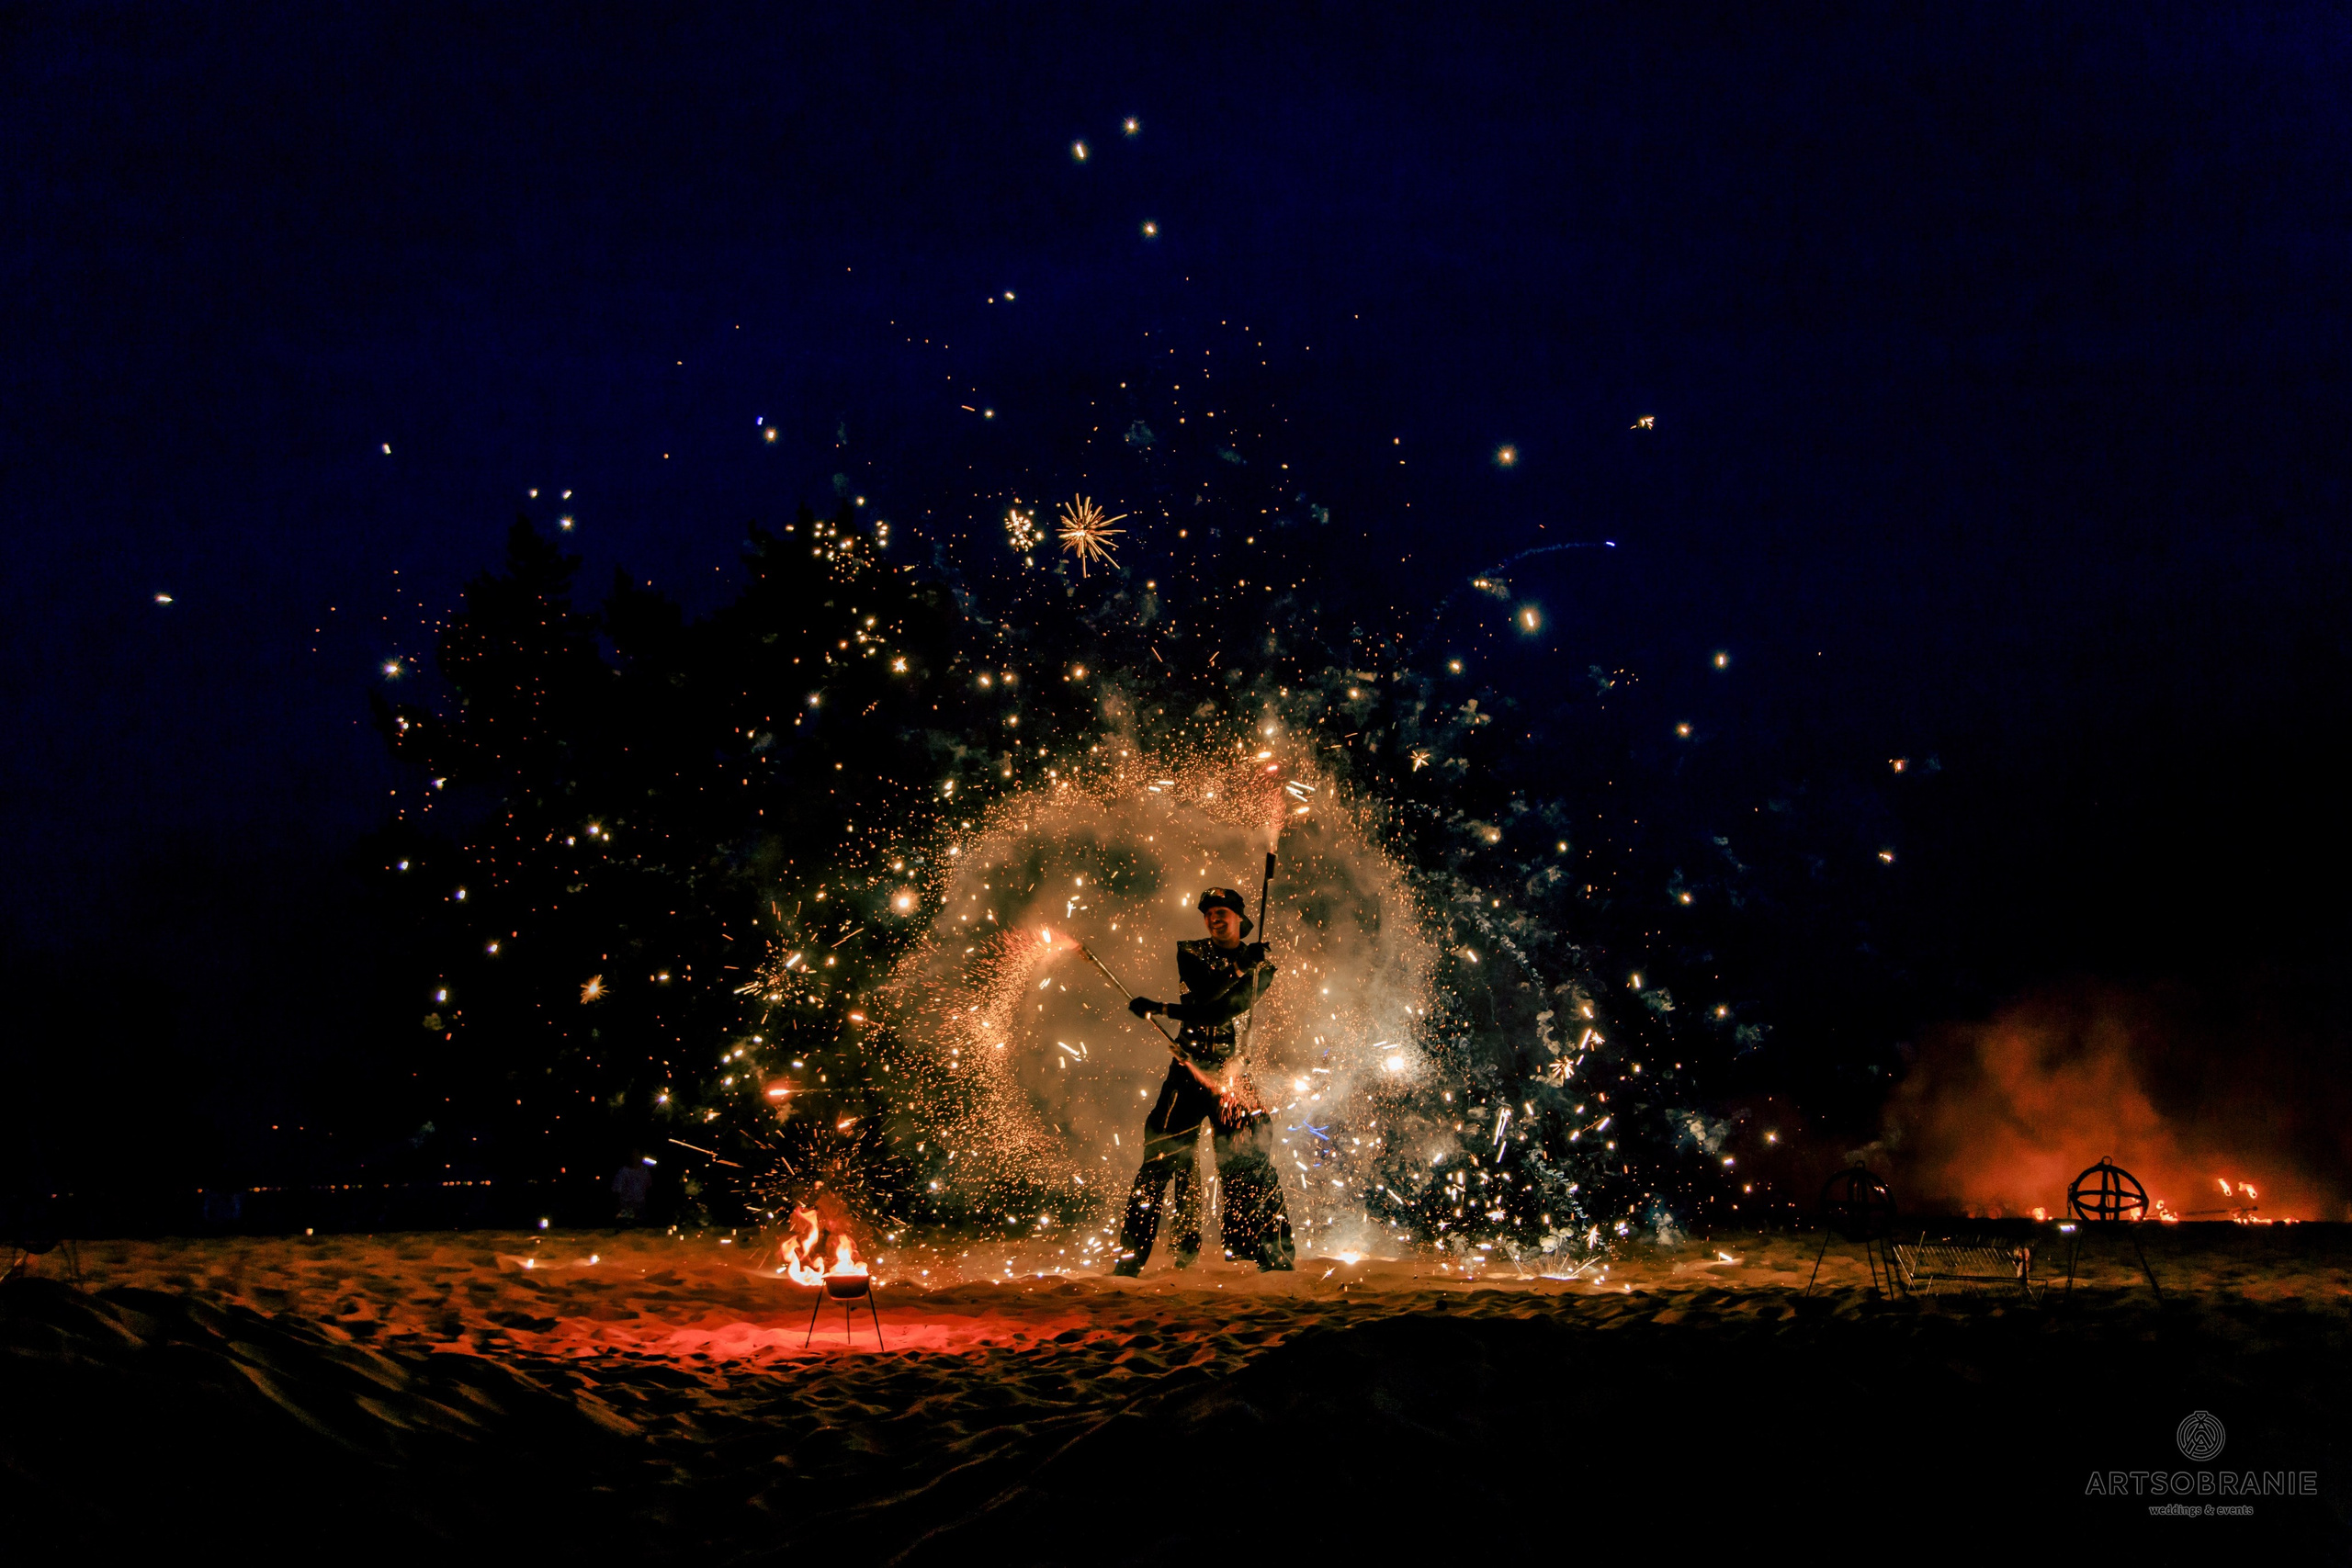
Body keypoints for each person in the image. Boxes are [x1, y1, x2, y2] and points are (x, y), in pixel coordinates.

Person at [1112, 886, 1295, 1274]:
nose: (1214, 918)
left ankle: (1269, 1260)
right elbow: (1202, 1003)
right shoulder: (1191, 952)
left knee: (1251, 1161)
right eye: (1209, 912)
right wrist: (1239, 966)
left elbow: (1223, 1012)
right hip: (1187, 1073)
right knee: (1158, 1162)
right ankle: (1129, 1265)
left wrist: (1161, 1007)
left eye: (1222, 911)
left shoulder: (1262, 968)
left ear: (1240, 920)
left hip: (1231, 1074)